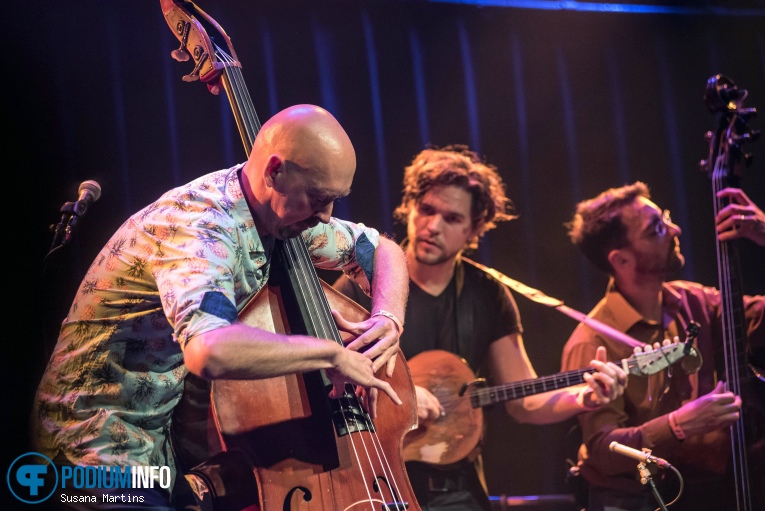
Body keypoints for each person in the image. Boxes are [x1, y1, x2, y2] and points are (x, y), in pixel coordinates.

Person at [30, 104, 409, 510]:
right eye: (318, 198)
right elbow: (209, 349)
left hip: (153, 448)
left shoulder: (279, 215)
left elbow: (381, 249)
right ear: (275, 171)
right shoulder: (201, 230)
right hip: (88, 447)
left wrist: (388, 315)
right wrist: (330, 353)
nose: (326, 216)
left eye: (336, 200)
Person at [333, 144, 628, 511]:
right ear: (409, 207)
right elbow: (331, 385)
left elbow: (523, 401)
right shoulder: (361, 282)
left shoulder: (488, 294)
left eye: (452, 219)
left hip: (454, 489)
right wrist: (404, 401)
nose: (433, 226)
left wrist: (582, 398)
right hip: (373, 478)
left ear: (474, 229)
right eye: (426, 210)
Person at [560, 181, 765, 511]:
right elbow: (603, 450)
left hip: (704, 492)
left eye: (665, 217)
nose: (675, 229)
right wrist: (678, 426)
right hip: (637, 501)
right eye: (656, 228)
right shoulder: (592, 342)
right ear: (622, 260)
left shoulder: (693, 300)